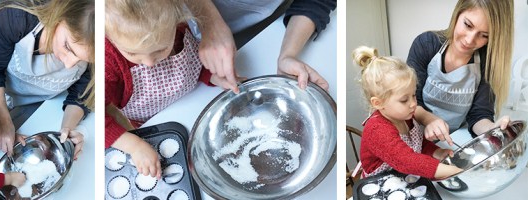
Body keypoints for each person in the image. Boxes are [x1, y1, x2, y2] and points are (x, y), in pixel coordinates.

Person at [104, 0, 233, 178]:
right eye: (132, 53)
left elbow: (192, 62)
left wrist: (212, 76)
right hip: (155, 124)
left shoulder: (176, 24)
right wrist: (134, 146)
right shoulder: (108, 62)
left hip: (195, 102)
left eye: (161, 49)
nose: (149, 63)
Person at [0, 0, 92, 157]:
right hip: (6, 90)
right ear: (60, 14)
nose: (69, 64)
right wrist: (4, 119)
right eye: (68, 47)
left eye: (81, 60)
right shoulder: (15, 17)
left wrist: (67, 129)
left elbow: (81, 94)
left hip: (49, 100)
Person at [407, 0, 513, 146]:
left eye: (484, 35)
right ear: (458, 13)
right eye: (468, 25)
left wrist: (492, 128)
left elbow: (479, 116)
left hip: (454, 141)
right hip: (414, 139)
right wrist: (429, 120)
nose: (470, 40)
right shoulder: (426, 44)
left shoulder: (485, 63)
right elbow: (410, 101)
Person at [353, 46, 462, 180]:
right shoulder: (377, 130)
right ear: (378, 103)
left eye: (413, 95)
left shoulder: (405, 116)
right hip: (380, 183)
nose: (413, 104)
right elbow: (408, 160)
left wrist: (437, 152)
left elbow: (418, 144)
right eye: (404, 100)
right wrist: (455, 170)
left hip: (403, 177)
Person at [192, 0, 336, 91]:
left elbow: (316, 2)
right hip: (194, 22)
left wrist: (288, 54)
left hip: (266, 22)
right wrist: (210, 23)